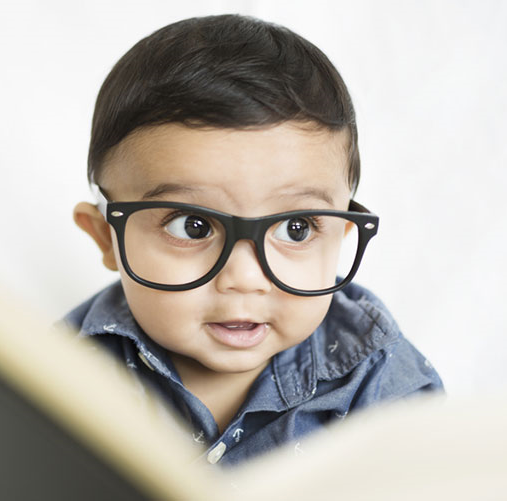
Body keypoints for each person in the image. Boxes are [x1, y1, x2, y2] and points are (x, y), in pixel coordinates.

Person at [65, 14, 443, 467]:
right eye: (193, 226)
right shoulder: (64, 367)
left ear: (339, 237)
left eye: (296, 229)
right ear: (107, 237)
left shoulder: (379, 381)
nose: (245, 278)